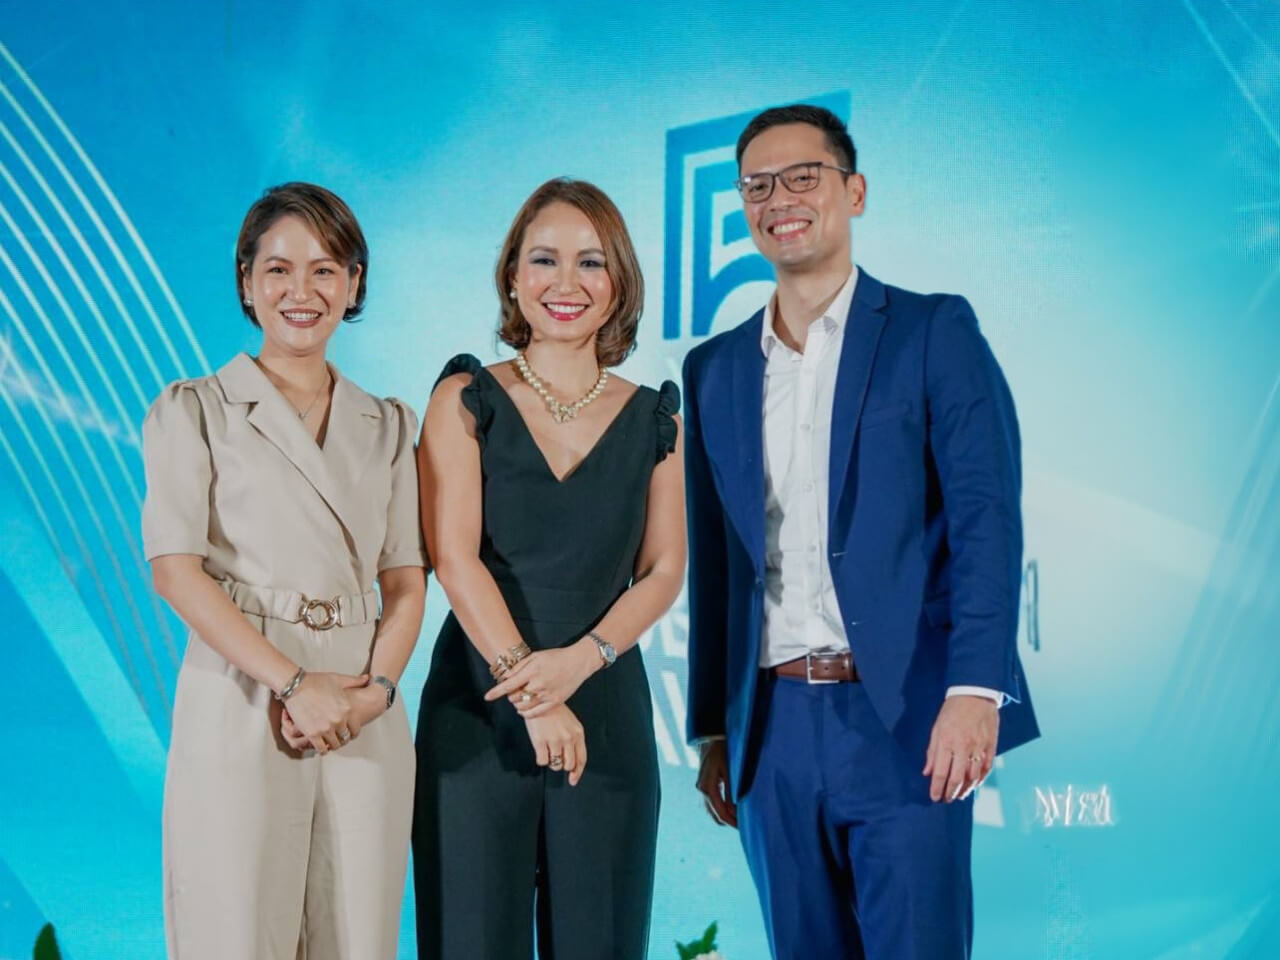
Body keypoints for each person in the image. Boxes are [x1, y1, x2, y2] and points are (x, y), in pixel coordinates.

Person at [682, 104, 1040, 959]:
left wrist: (975, 690)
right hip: (770, 728)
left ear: (855, 191)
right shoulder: (714, 368)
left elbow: (987, 520)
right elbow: (719, 559)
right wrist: (717, 728)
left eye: (803, 177)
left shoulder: (933, 330)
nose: (780, 199)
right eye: (757, 186)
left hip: (905, 715)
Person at [142, 182, 426, 959]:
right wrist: (295, 684)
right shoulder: (195, 410)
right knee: (234, 932)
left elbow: (406, 581)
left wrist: (376, 693)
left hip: (361, 707)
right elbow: (175, 571)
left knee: (356, 935)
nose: (302, 291)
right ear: (246, 281)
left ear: (355, 284)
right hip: (242, 692)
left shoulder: (389, 424)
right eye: (278, 269)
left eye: (326, 269)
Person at [412, 177, 685, 960]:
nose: (566, 283)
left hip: (606, 715)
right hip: (478, 710)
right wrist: (532, 689)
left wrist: (580, 663)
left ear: (619, 282)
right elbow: (453, 558)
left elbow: (664, 571)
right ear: (512, 276)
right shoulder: (465, 398)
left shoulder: (657, 419)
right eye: (544, 259)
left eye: (591, 262)